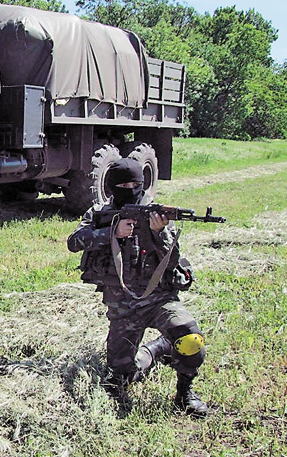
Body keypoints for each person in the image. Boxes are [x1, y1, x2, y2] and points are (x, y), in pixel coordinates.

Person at [67, 158, 208, 417]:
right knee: (119, 378)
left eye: (136, 184)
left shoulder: (156, 214)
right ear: (111, 186)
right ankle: (157, 349)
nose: (130, 188)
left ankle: (185, 393)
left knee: (190, 339)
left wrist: (159, 233)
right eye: (123, 184)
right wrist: (112, 231)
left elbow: (172, 261)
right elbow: (74, 242)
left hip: (159, 300)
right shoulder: (98, 212)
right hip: (122, 307)